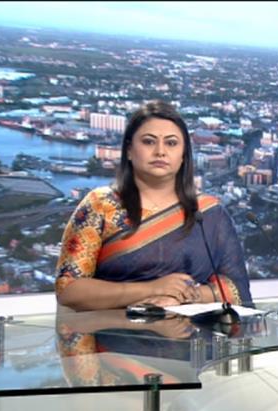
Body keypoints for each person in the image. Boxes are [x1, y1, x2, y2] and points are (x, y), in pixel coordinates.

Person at [55, 100, 253, 311]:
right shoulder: (99, 205)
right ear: (129, 150)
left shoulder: (209, 213)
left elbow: (237, 289)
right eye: (149, 142)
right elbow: (69, 289)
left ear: (184, 155)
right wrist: (152, 289)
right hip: (112, 330)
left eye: (171, 143)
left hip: (191, 329)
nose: (160, 151)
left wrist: (184, 297)